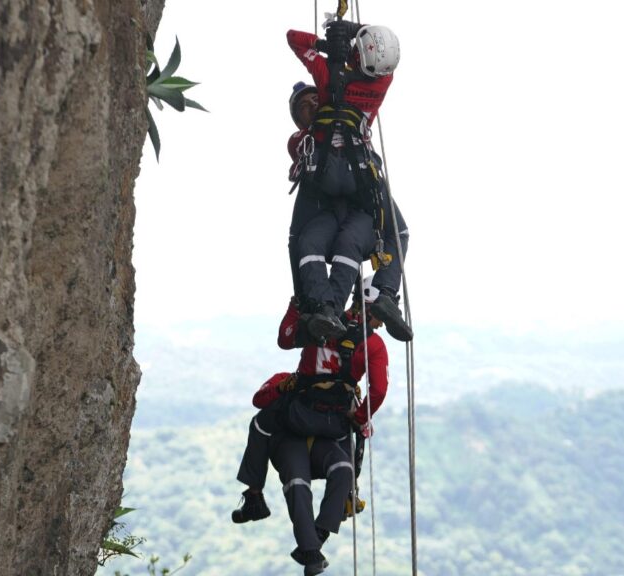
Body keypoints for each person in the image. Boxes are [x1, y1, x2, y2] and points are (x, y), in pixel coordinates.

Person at [231, 277, 390, 574]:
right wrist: (358, 417)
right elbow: (378, 390)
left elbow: (285, 339)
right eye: (381, 316)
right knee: (342, 469)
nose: (381, 324)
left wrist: (297, 305)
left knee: (295, 479)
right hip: (332, 427)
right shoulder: (371, 344)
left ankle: (264, 505)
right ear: (371, 308)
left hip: (298, 423)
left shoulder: (317, 324)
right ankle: (317, 538)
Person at [285, 21, 413, 343]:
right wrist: (357, 30)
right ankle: (382, 292)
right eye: (304, 106)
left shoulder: (328, 80)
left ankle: (328, 308)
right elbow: (382, 62)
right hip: (359, 179)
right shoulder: (379, 84)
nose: (311, 105)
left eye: (312, 101)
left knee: (327, 243)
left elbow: (293, 39)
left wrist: (326, 46)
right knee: (396, 233)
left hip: (332, 185)